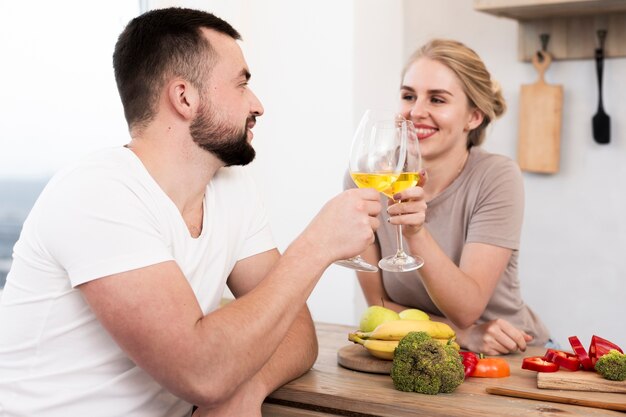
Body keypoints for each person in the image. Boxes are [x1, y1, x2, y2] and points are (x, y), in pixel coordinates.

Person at [0, 8, 383, 417]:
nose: (258, 104)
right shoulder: (99, 192)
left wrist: (246, 387)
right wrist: (316, 247)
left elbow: (296, 330)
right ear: (185, 97)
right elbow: (202, 373)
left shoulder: (233, 190)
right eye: (241, 85)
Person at [346, 39, 550, 356]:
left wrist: (416, 232)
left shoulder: (496, 177)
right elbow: (380, 303)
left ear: (474, 117)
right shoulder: (370, 177)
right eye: (408, 96)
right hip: (429, 350)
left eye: (437, 100)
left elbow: (467, 309)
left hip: (511, 354)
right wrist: (460, 335)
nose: (416, 112)